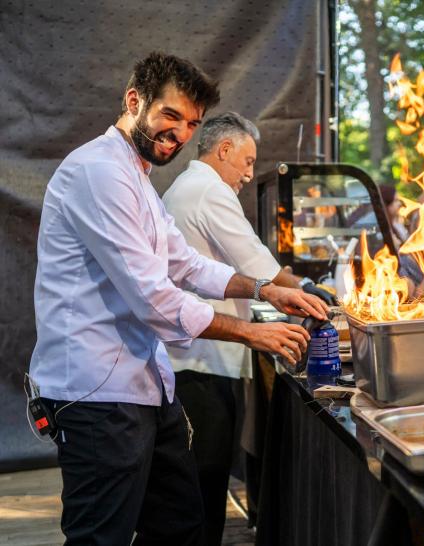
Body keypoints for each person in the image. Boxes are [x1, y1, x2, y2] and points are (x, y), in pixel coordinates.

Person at [28, 53, 329, 545]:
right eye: (171, 116)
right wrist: (253, 332)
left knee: (182, 525)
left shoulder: (137, 176)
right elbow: (155, 299)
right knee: (100, 537)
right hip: (96, 396)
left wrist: (263, 289)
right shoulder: (98, 172)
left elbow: (186, 264)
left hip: (146, 389)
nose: (182, 133)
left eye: (192, 123)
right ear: (134, 101)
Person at [162, 112, 332, 545]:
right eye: (247, 161)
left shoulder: (187, 187)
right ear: (223, 150)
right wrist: (317, 290)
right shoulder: (208, 190)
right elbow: (260, 268)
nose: (249, 174)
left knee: (194, 490)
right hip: (200, 362)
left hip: (194, 357)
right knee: (203, 485)